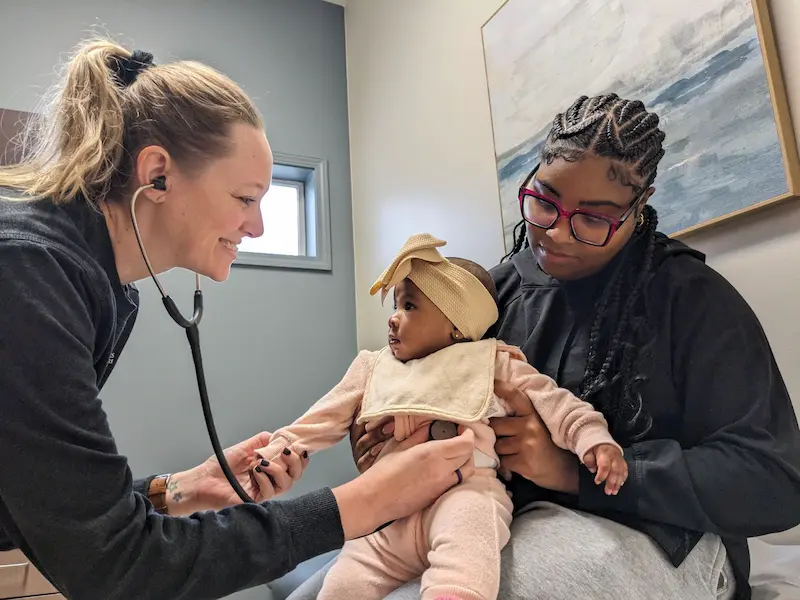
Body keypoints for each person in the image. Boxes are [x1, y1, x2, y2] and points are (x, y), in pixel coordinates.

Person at [0, 39, 477, 600]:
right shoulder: (29, 275)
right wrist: (367, 500)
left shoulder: (97, 286)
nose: (258, 228)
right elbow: (119, 566)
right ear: (156, 174)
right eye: (246, 198)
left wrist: (177, 490)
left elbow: (34, 497)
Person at [288, 94, 800, 600]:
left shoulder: (691, 297)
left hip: (667, 533)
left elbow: (774, 479)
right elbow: (432, 387)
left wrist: (571, 470)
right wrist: (391, 437)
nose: (555, 232)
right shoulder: (498, 292)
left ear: (639, 207)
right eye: (544, 201)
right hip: (495, 508)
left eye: (593, 219)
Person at [252, 232, 627, 600]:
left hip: (466, 491)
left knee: (468, 549)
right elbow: (323, 416)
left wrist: (594, 441)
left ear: (457, 326)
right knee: (347, 578)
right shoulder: (373, 367)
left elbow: (558, 404)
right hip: (387, 507)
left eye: (409, 307)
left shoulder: (491, 363)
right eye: (395, 306)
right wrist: (284, 446)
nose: (393, 319)